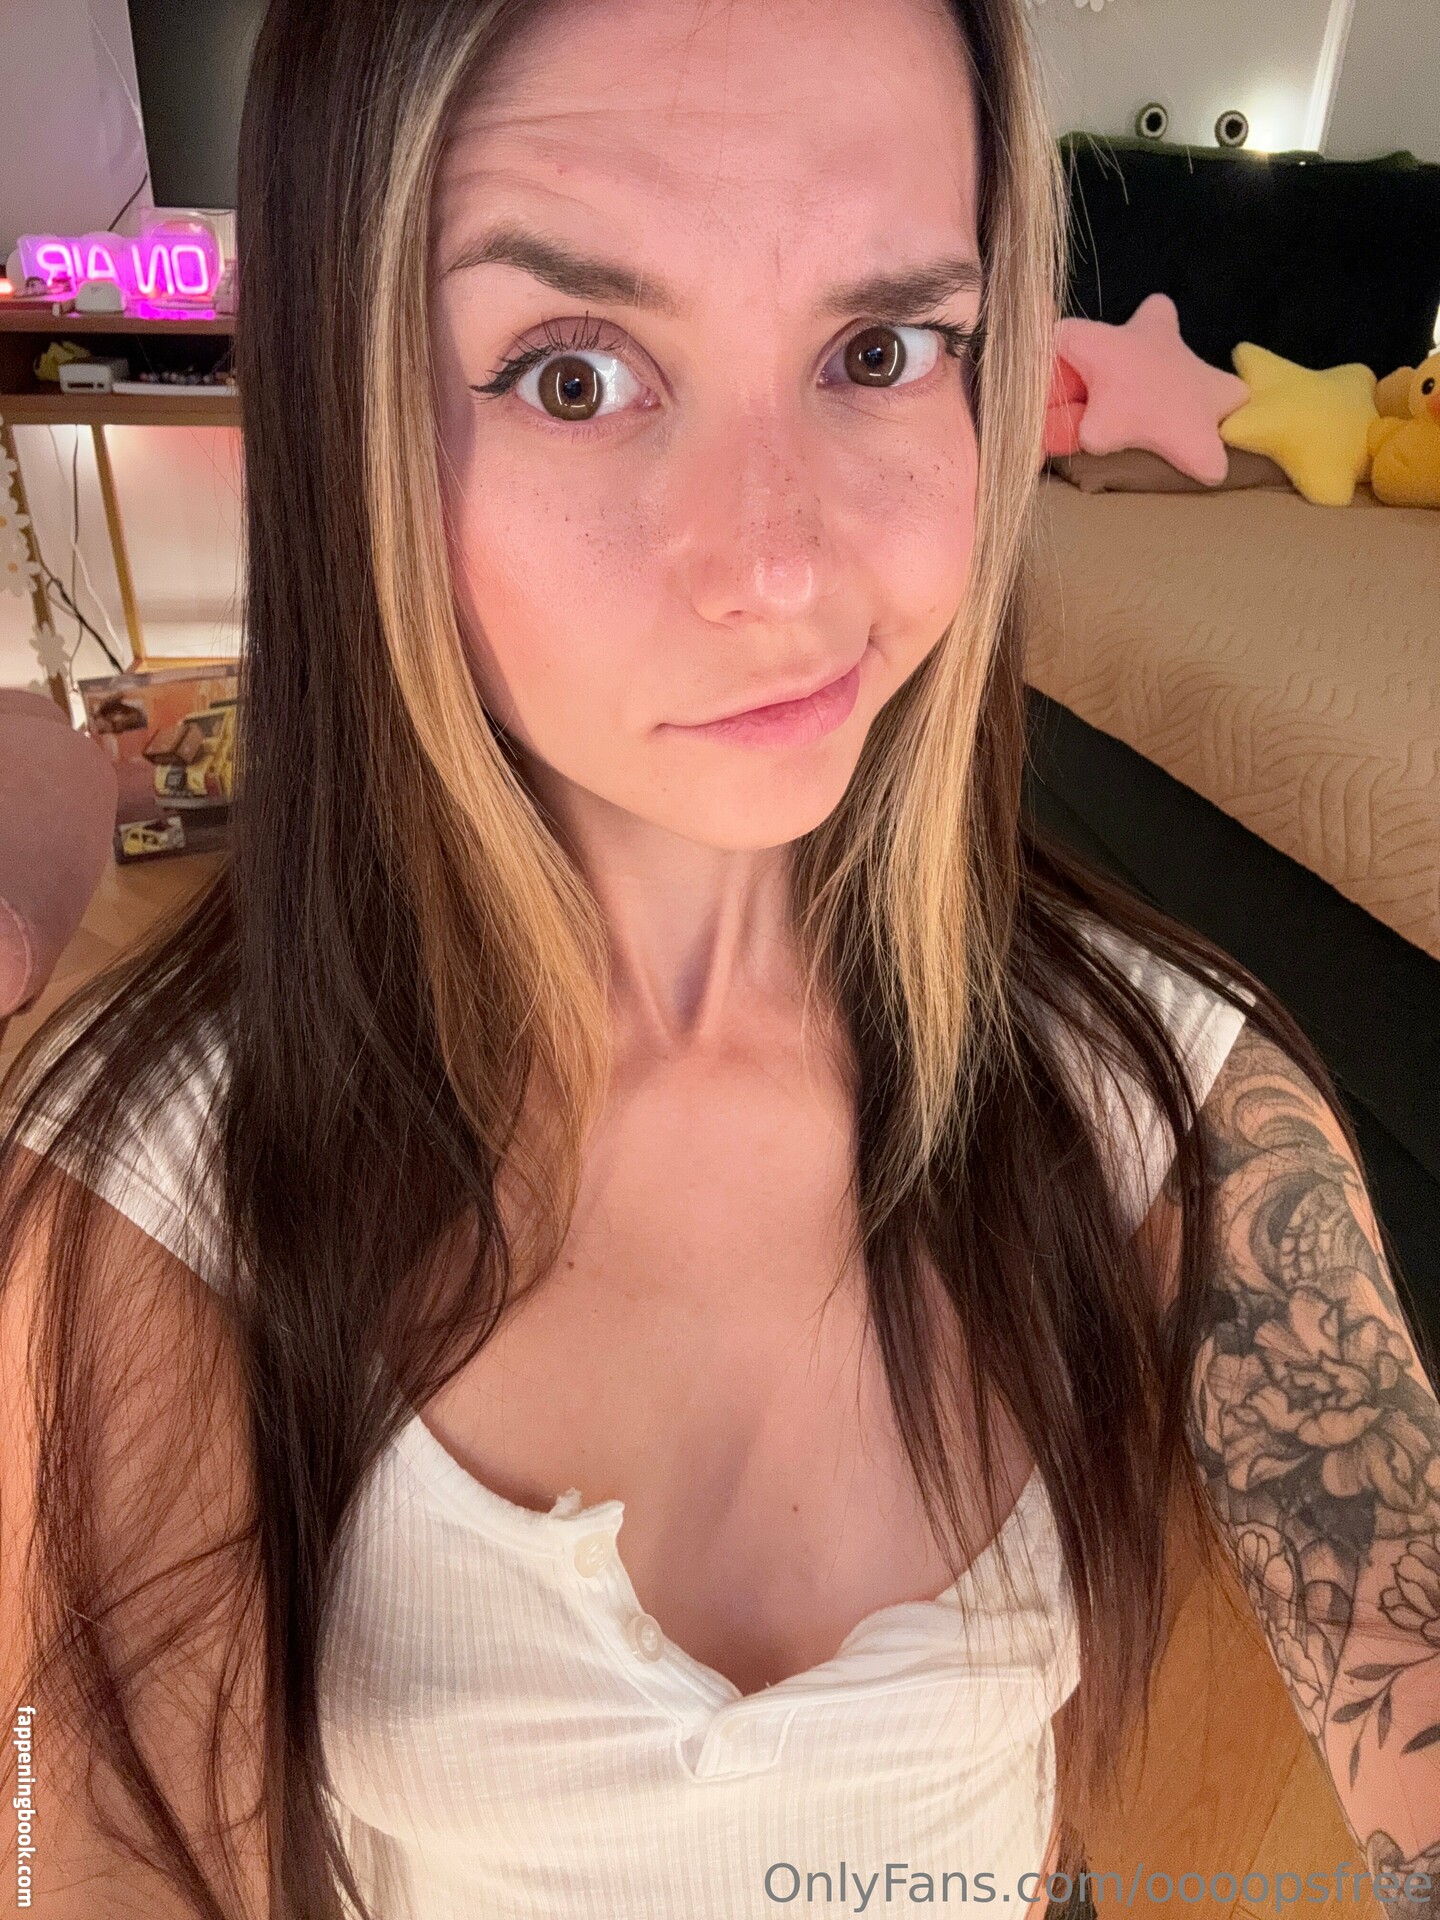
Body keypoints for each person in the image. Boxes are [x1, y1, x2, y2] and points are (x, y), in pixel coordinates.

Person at [3, 1, 1437, 1915]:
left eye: (879, 351)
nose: (778, 568)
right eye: (573, 374)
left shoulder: (1175, 1093)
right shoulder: (151, 1200)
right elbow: (86, 1841)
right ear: (353, 426)